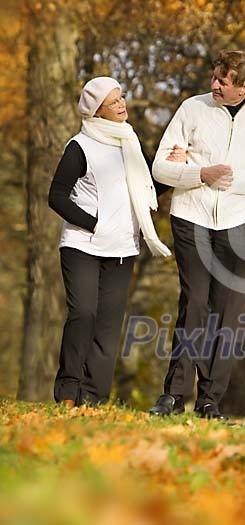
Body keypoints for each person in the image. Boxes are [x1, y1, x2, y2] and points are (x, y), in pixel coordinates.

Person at [149, 50, 245, 420]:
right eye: (214, 77)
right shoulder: (191, 109)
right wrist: (199, 174)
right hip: (190, 215)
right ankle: (174, 396)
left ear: (244, 86)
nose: (214, 85)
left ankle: (210, 401)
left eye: (223, 82)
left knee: (227, 312)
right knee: (194, 302)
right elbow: (160, 167)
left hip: (241, 221)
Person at [48, 76, 172, 407]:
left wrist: (173, 172)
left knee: (107, 327)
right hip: (82, 245)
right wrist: (93, 223)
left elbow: (146, 192)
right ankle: (68, 393)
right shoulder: (80, 146)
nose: (122, 105)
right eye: (113, 101)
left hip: (122, 249)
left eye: (122, 97)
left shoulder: (130, 142)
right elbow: (56, 196)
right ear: (97, 111)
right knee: (83, 314)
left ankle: (94, 398)